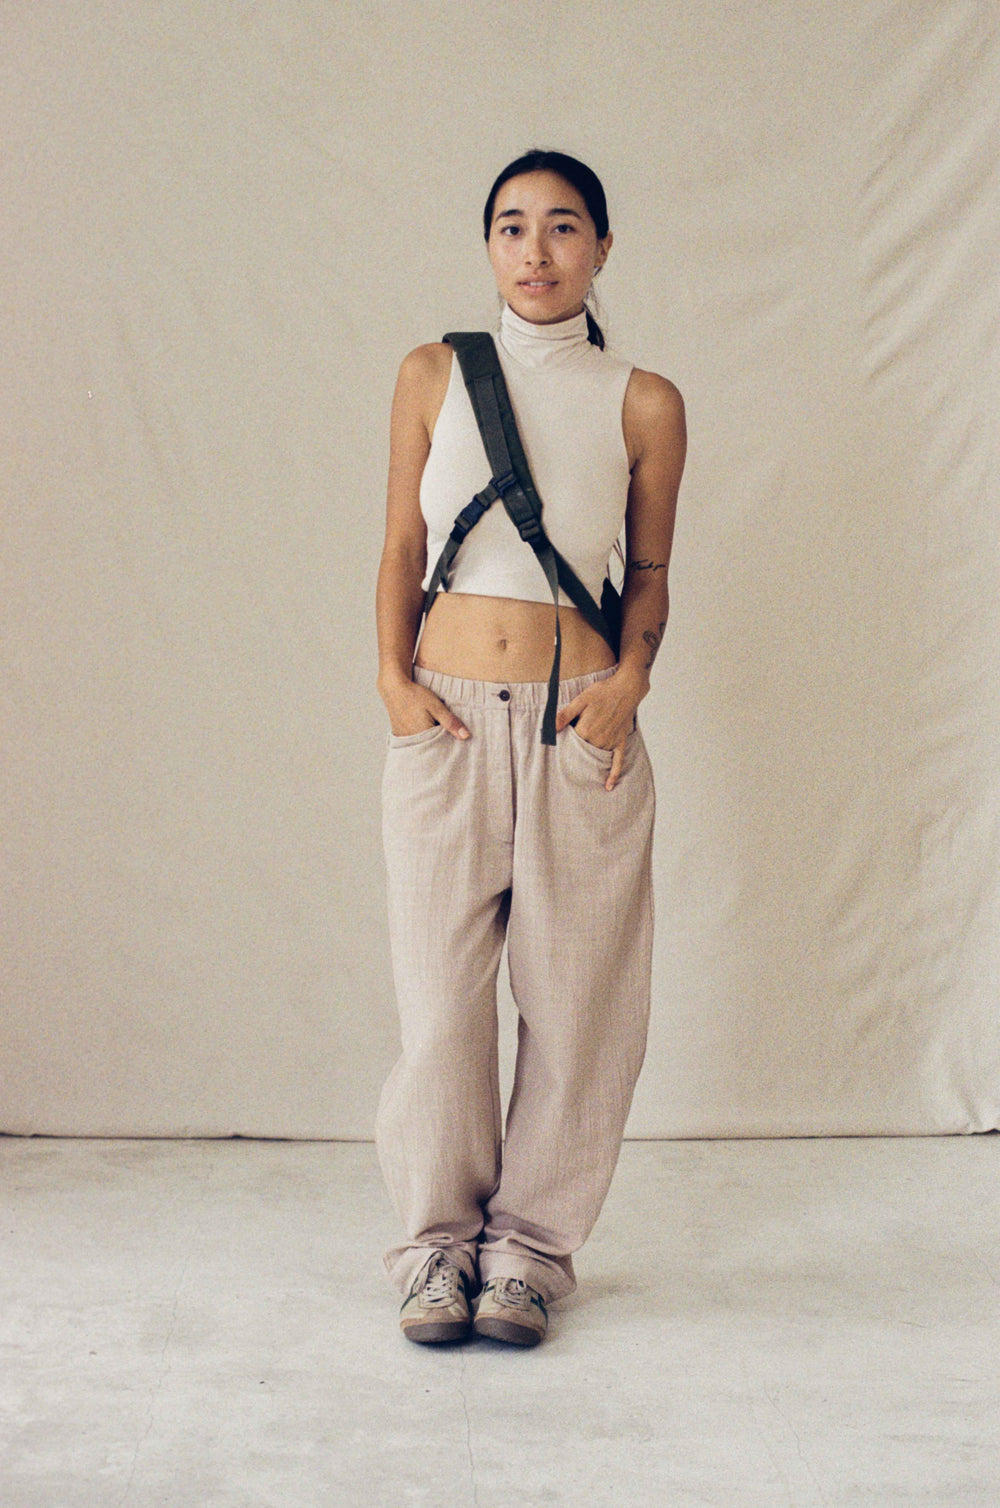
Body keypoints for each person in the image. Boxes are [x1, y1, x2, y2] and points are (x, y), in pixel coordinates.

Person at [374, 149, 686, 1347]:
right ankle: (435, 1247)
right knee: (439, 1003)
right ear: (488, 245)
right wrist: (393, 680)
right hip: (446, 717)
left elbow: (647, 572)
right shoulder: (431, 372)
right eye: (511, 225)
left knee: (577, 1002)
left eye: (562, 226)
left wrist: (632, 683)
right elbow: (401, 548)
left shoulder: (642, 399)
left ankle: (528, 1254)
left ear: (601, 246)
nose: (536, 249)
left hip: (578, 718)